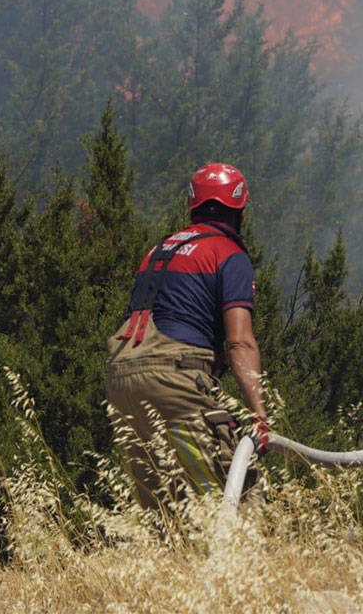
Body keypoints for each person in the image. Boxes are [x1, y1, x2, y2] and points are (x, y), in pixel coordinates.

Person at [105, 163, 269, 508]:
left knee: (164, 505)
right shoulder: (229, 254)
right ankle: (240, 556)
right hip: (174, 381)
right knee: (232, 495)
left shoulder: (159, 250)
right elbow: (239, 341)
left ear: (193, 205)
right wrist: (260, 415)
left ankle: (170, 559)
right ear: (240, 209)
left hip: (121, 378)